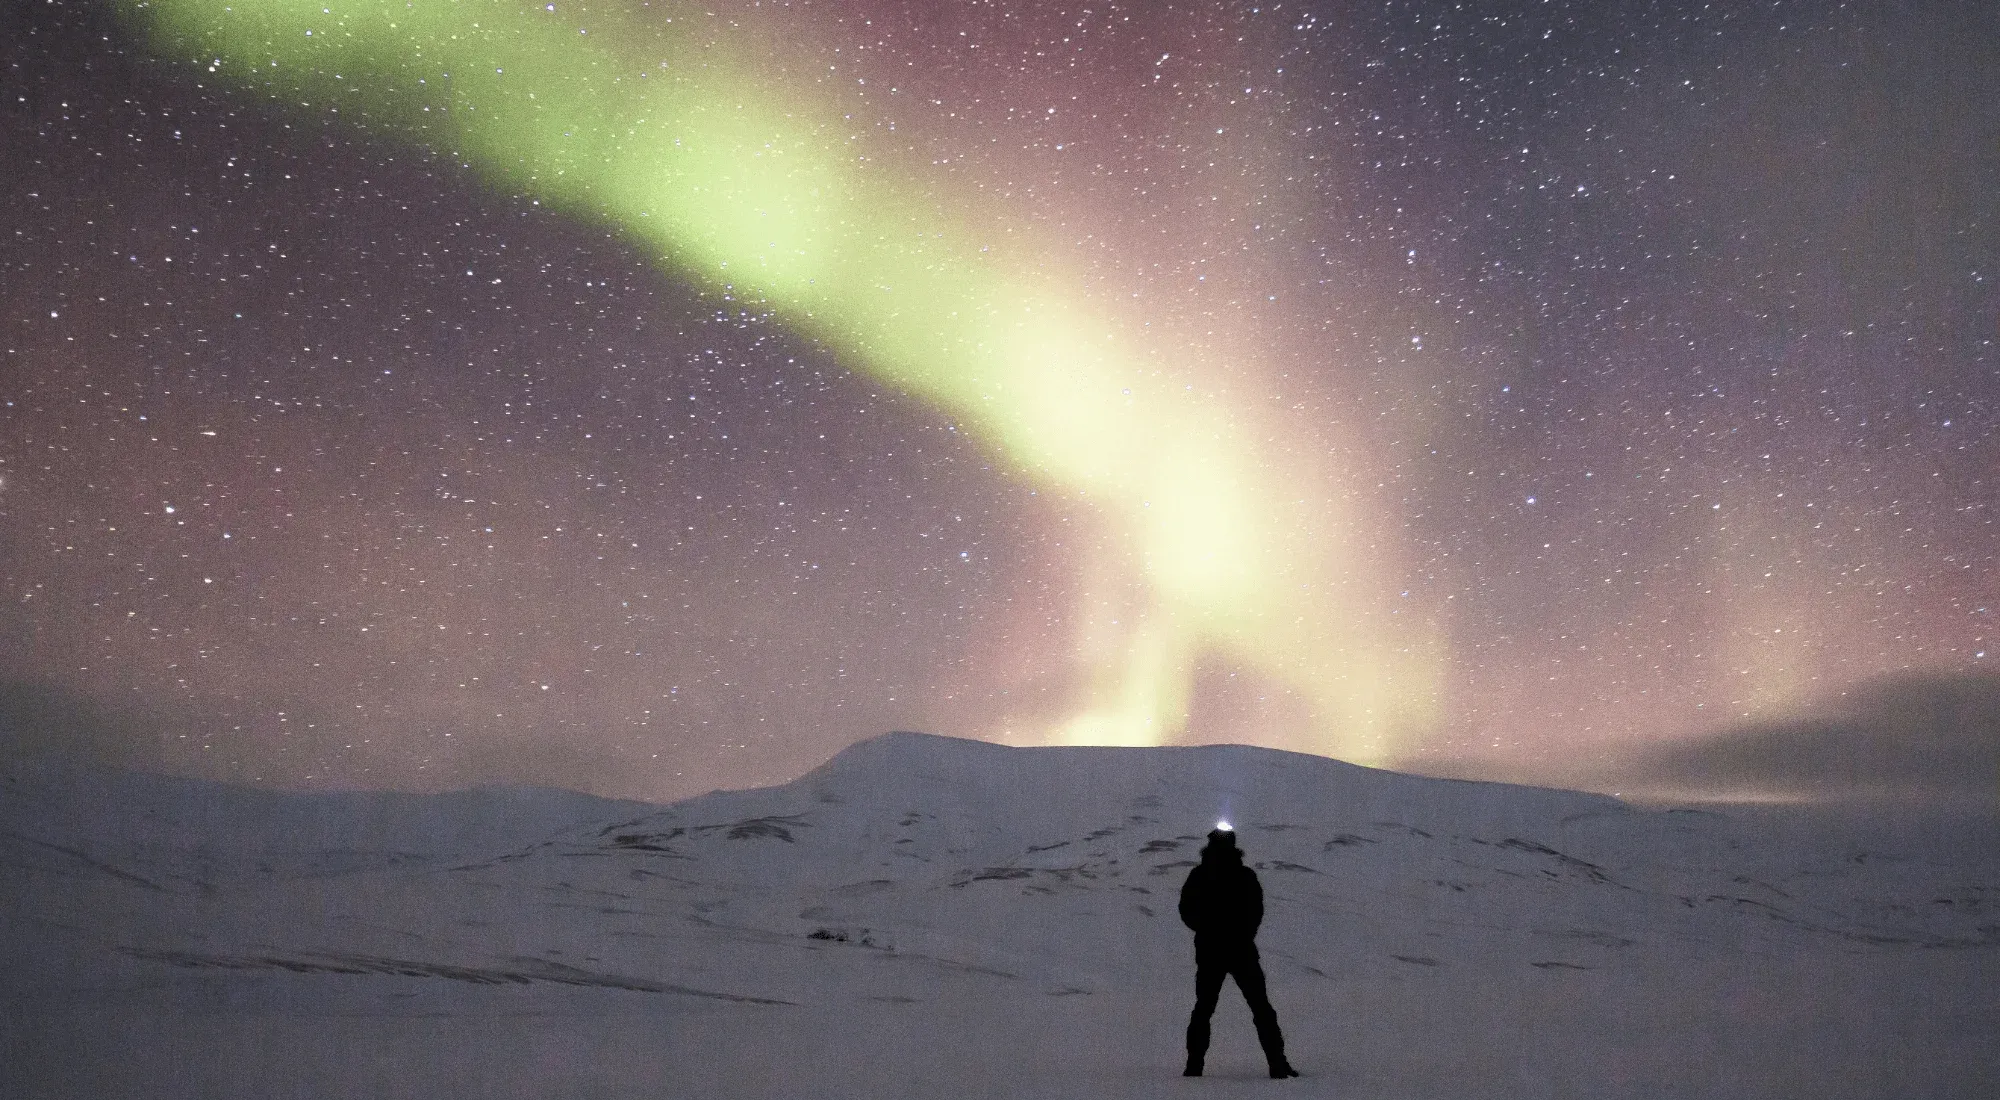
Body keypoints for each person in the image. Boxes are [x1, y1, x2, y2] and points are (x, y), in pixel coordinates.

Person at [1177, 824, 1299, 1078]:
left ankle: (1194, 1066)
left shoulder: (1200, 875)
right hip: (1240, 950)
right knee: (1260, 1008)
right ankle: (1278, 1064)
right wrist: (1241, 934)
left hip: (1213, 952)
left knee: (1205, 1009)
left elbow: (1187, 911)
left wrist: (1207, 930)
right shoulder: (1243, 875)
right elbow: (1256, 912)